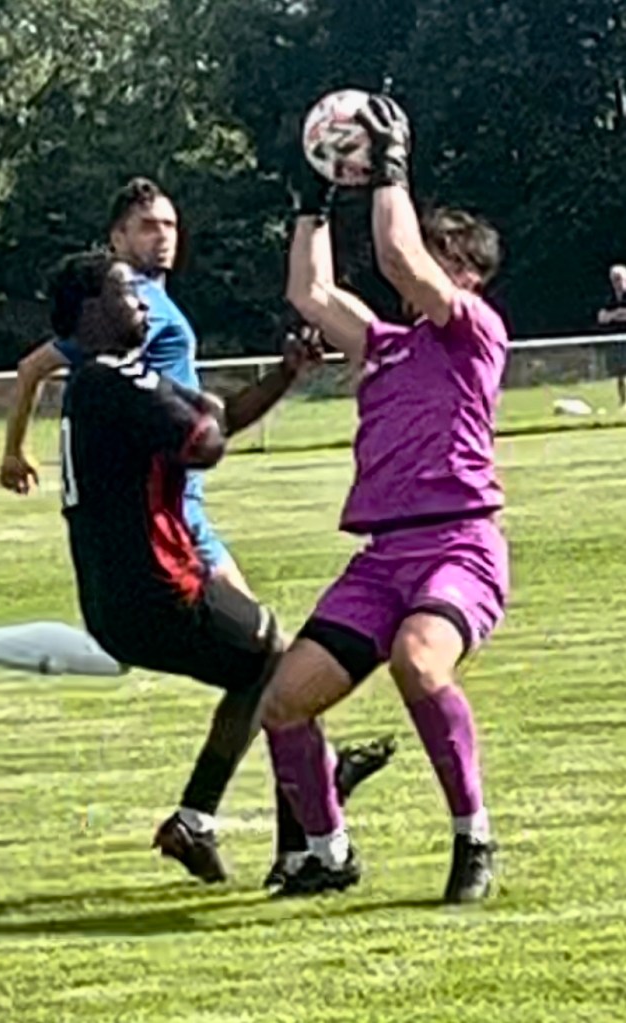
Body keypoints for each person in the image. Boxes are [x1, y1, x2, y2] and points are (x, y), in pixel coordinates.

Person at [0, 250, 394, 884]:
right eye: (126, 291)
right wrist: (205, 420)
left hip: (115, 602)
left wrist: (284, 375)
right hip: (161, 589)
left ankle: (247, 827)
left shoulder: (104, 382)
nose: (142, 301)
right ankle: (282, 834)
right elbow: (205, 443)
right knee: (282, 668)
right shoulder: (111, 379)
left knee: (265, 672)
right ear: (91, 312)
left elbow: (220, 415)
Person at [259, 94, 508, 903]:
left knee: (418, 660)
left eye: (443, 259)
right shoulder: (385, 344)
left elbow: (399, 256)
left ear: (468, 276)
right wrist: (313, 198)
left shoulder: (473, 332)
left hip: (458, 545)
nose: (421, 269)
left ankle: (474, 835)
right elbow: (310, 290)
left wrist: (389, 163)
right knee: (283, 702)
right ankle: (327, 851)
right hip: (383, 557)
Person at [0, 176, 249, 595]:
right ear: (117, 237)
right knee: (253, 629)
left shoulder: (144, 299)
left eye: (170, 225)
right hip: (164, 502)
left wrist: (14, 451)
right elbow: (34, 366)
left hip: (154, 498)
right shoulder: (133, 303)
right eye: (148, 226)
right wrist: (13, 451)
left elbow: (30, 369)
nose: (163, 236)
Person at [596, 264, 626, 408]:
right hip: (614, 340)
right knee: (619, 373)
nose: (617, 282)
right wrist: (617, 314)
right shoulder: (608, 298)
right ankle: (623, 401)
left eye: (619, 278)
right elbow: (602, 318)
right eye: (614, 279)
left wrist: (613, 315)